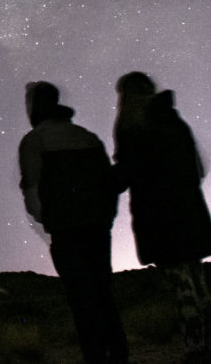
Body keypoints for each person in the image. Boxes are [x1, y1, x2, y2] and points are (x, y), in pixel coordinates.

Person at [113, 71, 211, 363]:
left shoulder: (134, 126)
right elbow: (196, 168)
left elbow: (126, 172)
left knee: (181, 287)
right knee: (197, 283)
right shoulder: (174, 121)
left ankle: (196, 350)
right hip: (190, 213)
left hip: (160, 219)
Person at [18, 81, 127, 364]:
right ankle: (118, 356)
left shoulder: (35, 141)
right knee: (104, 295)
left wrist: (49, 218)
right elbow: (109, 184)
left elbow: (32, 191)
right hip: (98, 228)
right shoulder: (87, 137)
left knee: (81, 300)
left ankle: (97, 357)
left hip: (66, 231)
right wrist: (104, 218)